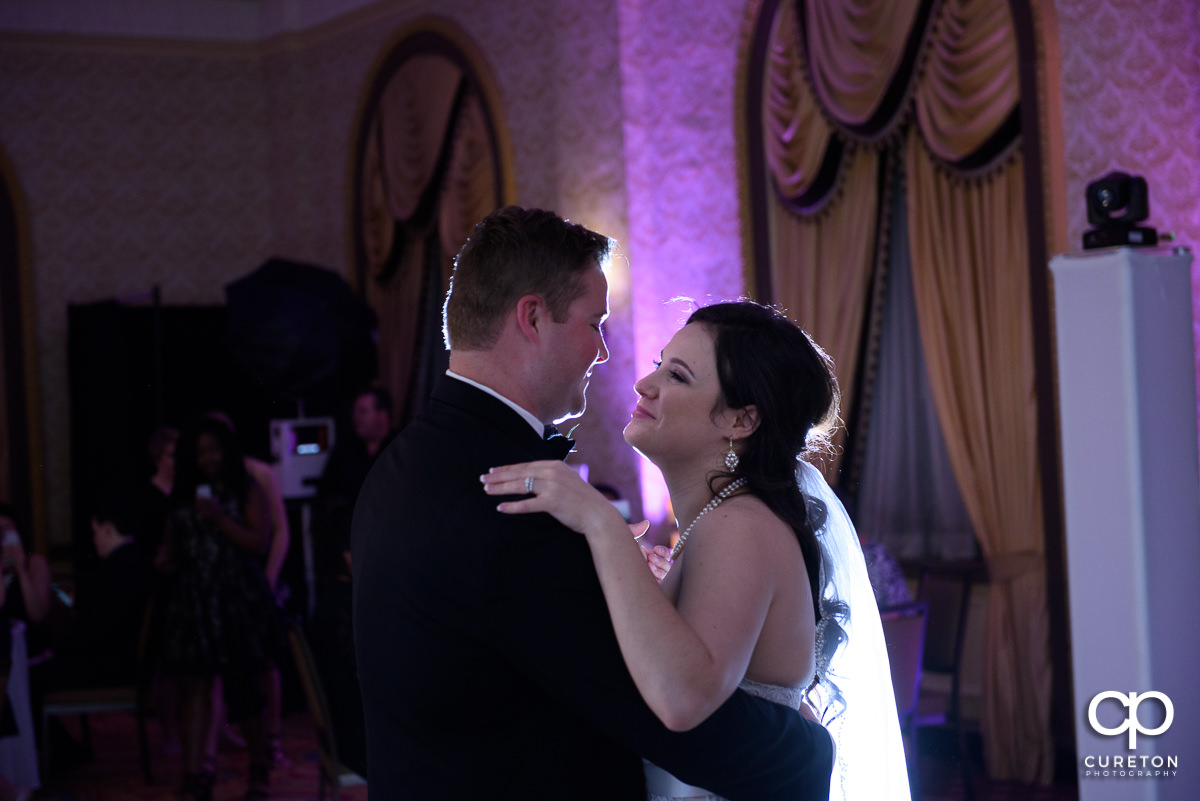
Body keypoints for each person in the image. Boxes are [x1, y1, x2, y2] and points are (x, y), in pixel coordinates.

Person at [353, 206, 833, 799]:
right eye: (595, 323)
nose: (610, 357)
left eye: (676, 374)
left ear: (742, 419)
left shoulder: (405, 468)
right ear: (532, 318)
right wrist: (810, 752)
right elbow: (657, 711)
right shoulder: (513, 501)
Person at [483, 300, 911, 801]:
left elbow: (684, 700)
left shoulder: (742, 525)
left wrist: (602, 524)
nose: (646, 384)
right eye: (658, 365)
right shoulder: (714, 524)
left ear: (740, 420)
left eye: (678, 376)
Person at [158, 417, 281, 801]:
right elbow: (171, 547)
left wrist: (219, 519)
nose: (208, 458)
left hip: (235, 600)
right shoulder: (182, 496)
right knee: (194, 686)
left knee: (245, 688)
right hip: (194, 601)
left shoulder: (245, 487)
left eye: (213, 450)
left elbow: (258, 542)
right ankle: (197, 774)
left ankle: (259, 768)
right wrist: (167, 560)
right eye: (200, 453)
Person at [315, 387, 394, 588]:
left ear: (382, 415)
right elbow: (327, 497)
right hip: (348, 543)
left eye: (363, 411)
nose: (356, 417)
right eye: (355, 411)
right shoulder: (344, 452)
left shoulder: (400, 448)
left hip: (391, 542)